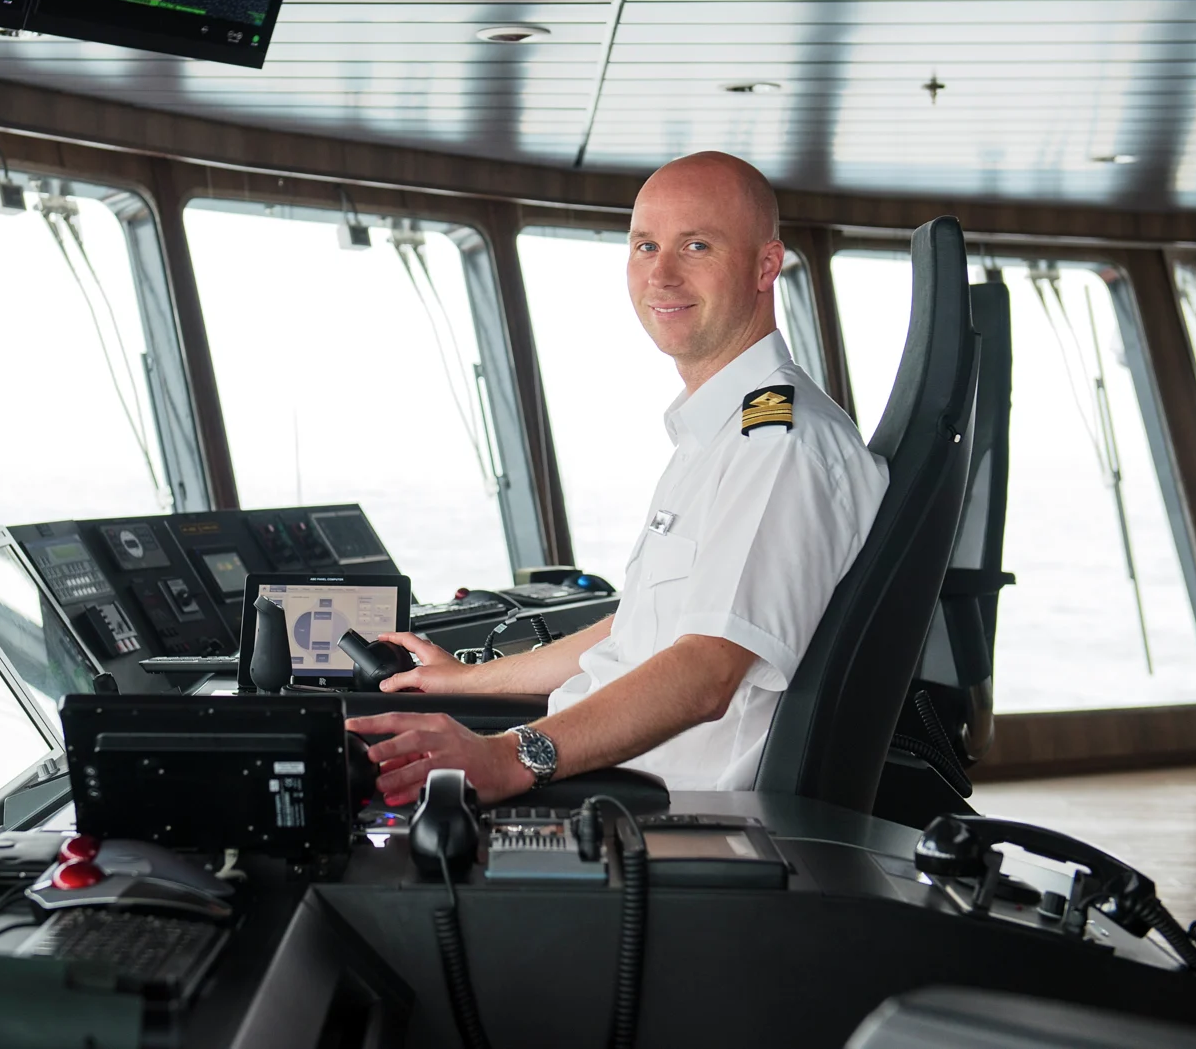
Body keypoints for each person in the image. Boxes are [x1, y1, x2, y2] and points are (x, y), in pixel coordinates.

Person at [345, 151, 889, 806]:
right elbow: (634, 632)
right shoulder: (719, 434)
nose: (661, 274)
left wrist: (508, 756)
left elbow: (706, 671)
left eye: (696, 245)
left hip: (664, 811)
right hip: (610, 783)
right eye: (645, 246)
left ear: (765, 266)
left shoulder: (779, 446)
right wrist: (468, 680)